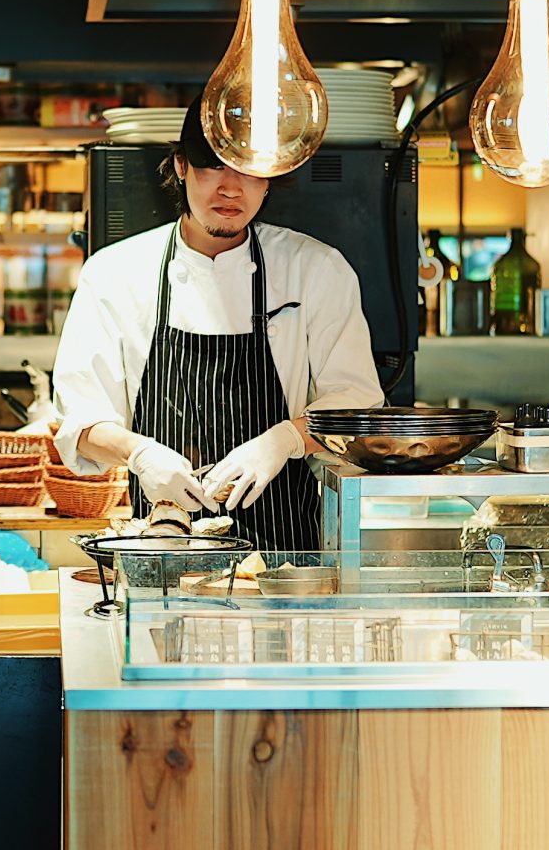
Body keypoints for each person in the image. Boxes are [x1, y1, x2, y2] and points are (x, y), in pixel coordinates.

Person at [53, 101, 385, 552]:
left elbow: (358, 405)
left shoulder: (317, 269)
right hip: (161, 553)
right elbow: (81, 423)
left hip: (286, 563)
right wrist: (139, 454)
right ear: (181, 165)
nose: (231, 189)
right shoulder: (114, 273)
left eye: (249, 171)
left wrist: (284, 439)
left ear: (269, 179)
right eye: (213, 167)